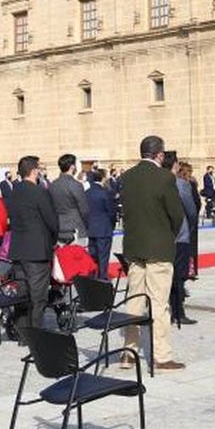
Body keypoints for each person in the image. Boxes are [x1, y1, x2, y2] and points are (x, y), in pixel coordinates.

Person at [119, 135, 185, 371]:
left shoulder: (127, 177)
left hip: (135, 248)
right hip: (158, 248)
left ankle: (128, 353)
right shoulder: (165, 178)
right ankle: (161, 355)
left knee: (134, 301)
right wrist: (168, 234)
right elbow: (177, 215)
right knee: (158, 303)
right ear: (159, 154)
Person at [7, 155, 57, 335]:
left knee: (23, 294)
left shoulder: (13, 191)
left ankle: (23, 334)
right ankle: (36, 335)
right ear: (34, 171)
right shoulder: (39, 192)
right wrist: (53, 239)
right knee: (38, 296)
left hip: (19, 249)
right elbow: (52, 220)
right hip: (37, 251)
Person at [171, 159, 198, 326]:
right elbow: (191, 211)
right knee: (179, 275)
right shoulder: (181, 184)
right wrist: (189, 226)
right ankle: (178, 312)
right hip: (180, 236)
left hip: (163, 237)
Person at [48, 153, 89, 245]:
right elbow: (84, 209)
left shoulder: (53, 185)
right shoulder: (75, 185)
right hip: (75, 229)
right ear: (72, 167)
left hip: (59, 227)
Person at [85, 171, 117, 280]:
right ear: (102, 179)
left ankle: (93, 277)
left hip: (91, 228)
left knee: (92, 256)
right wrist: (111, 226)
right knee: (103, 256)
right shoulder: (105, 193)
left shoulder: (87, 193)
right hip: (104, 229)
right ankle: (102, 278)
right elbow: (111, 212)